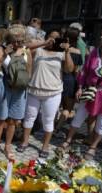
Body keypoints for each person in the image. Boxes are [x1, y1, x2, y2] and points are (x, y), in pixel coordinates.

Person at [60, 27, 102, 160]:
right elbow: (85, 71)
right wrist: (80, 87)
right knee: (79, 116)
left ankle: (93, 147)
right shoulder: (95, 52)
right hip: (89, 91)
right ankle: (68, 140)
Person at [18, 30, 74, 158]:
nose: (53, 40)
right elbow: (25, 48)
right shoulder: (38, 50)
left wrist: (67, 51)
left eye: (56, 38)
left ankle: (45, 146)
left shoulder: (61, 54)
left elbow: (69, 69)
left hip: (53, 93)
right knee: (29, 118)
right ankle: (25, 141)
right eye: (51, 37)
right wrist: (44, 43)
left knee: (48, 121)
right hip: (34, 90)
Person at [0, 24, 32, 160]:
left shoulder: (27, 51)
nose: (17, 43)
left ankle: (7, 146)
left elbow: (29, 71)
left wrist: (23, 83)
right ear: (9, 38)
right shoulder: (2, 49)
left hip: (19, 90)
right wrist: (4, 56)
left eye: (20, 40)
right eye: (14, 40)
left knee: (13, 120)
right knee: (1, 118)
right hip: (3, 86)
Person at [55, 27, 83, 133]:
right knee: (68, 108)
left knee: (56, 106)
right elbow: (76, 70)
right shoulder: (78, 52)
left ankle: (50, 126)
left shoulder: (59, 48)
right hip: (71, 81)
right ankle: (57, 129)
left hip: (58, 78)